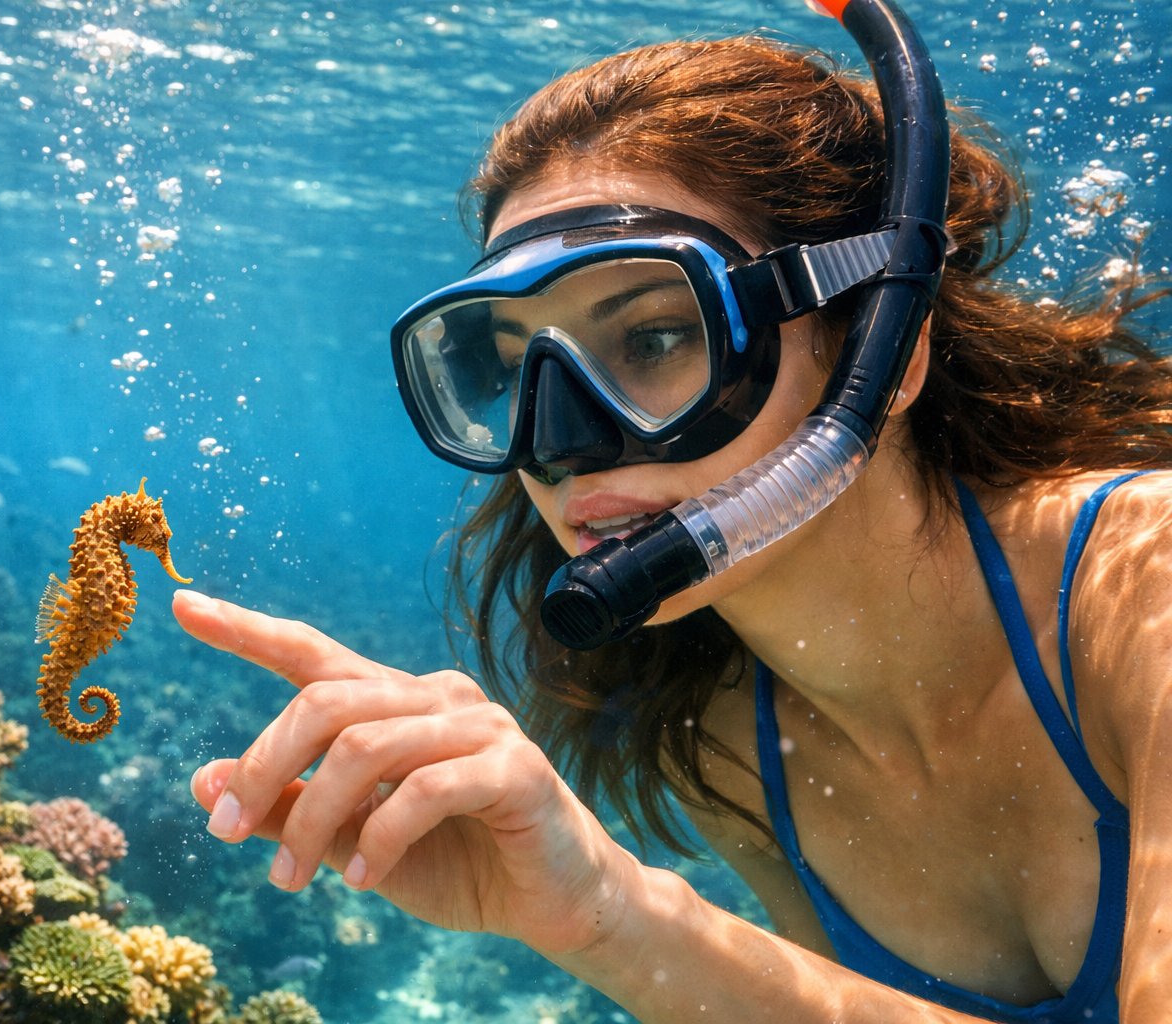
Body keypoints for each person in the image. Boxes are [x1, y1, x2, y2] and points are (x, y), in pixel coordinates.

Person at [171, 21, 1172, 1024]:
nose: (561, 442)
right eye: (514, 365)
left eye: (654, 335)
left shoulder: (1149, 587)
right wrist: (595, 917)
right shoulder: (723, 733)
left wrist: (630, 913)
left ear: (887, 349)